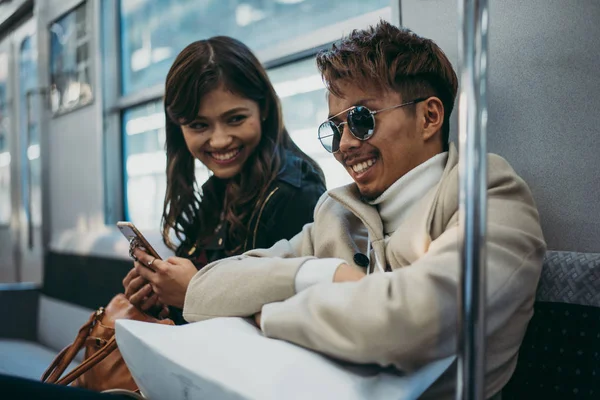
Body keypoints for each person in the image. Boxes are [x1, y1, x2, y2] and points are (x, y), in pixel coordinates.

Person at [137, 21, 546, 399]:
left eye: (362, 120)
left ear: (429, 116)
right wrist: (320, 273)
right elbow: (206, 288)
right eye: (335, 128)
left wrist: (272, 314)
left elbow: (414, 319)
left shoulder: (488, 194)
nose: (346, 144)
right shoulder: (336, 212)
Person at [123, 36, 326, 323]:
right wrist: (163, 301)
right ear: (179, 128)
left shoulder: (295, 192)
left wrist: (195, 292)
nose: (219, 140)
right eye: (199, 125)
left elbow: (295, 317)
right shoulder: (215, 192)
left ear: (264, 108)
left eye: (235, 119)